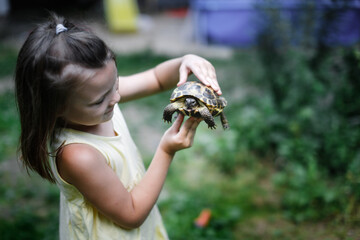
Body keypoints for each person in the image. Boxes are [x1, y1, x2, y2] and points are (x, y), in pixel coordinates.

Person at [15, 13, 222, 240]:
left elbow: (156, 78)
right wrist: (166, 150)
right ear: (54, 108)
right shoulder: (77, 155)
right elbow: (131, 214)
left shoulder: (97, 93)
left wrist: (185, 61)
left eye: (115, 83)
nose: (116, 97)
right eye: (100, 100)